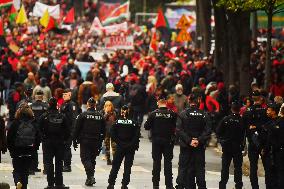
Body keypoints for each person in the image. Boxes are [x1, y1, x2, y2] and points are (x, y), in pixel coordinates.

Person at [176, 94, 211, 189]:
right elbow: (208, 131)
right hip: (199, 146)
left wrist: (189, 140)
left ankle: (181, 186)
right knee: (199, 168)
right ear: (198, 101)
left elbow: (179, 130)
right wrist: (198, 140)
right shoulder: (204, 114)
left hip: (186, 146)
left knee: (183, 167)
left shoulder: (183, 114)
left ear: (189, 101)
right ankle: (201, 186)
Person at [144, 96, 177, 189]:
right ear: (166, 103)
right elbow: (177, 126)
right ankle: (169, 185)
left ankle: (155, 185)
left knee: (156, 163)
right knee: (168, 163)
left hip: (156, 141)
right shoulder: (172, 114)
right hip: (168, 141)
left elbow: (146, 126)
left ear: (158, 103)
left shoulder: (153, 114)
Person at [73, 97, 106, 186]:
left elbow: (76, 129)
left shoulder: (83, 115)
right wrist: (101, 141)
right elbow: (104, 130)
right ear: (95, 105)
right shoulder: (100, 116)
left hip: (85, 140)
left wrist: (74, 140)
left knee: (85, 159)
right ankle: (89, 178)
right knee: (92, 160)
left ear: (88, 104)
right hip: (96, 141)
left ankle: (91, 177)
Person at [243, 91, 272, 189]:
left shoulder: (247, 112)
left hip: (252, 142)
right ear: (260, 98)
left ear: (252, 98)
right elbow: (269, 126)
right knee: (267, 168)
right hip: (264, 143)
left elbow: (245, 128)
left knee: (253, 167)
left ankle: (255, 187)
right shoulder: (266, 111)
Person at [7, 103, 40, 189]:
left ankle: (17, 182)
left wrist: (12, 151)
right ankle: (24, 186)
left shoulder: (15, 123)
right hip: (29, 151)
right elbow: (38, 138)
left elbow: (9, 138)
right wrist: (34, 150)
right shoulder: (33, 123)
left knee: (17, 170)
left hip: (17, 151)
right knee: (25, 172)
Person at [39, 97, 70, 189]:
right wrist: (64, 140)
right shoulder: (62, 116)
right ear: (57, 105)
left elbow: (39, 129)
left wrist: (43, 139)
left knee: (48, 163)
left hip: (48, 142)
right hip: (59, 142)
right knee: (59, 163)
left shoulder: (44, 116)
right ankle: (59, 184)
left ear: (49, 104)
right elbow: (67, 130)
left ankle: (50, 184)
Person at [107, 105, 140, 189]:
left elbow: (112, 133)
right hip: (130, 147)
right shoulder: (134, 123)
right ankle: (124, 185)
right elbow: (136, 136)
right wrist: (131, 144)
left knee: (115, 166)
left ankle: (111, 184)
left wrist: (119, 142)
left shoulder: (117, 122)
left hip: (120, 147)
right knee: (127, 167)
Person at [216, 102, 246, 189]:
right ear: (239, 110)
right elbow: (245, 134)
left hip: (227, 147)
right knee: (238, 168)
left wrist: (221, 141)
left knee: (225, 167)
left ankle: (222, 185)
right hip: (238, 147)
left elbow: (218, 131)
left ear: (231, 109)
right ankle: (238, 185)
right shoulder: (242, 120)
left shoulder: (226, 119)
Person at [29, 90, 48, 174]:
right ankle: (46, 168)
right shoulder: (46, 106)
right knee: (46, 150)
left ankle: (33, 168)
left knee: (33, 149)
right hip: (44, 130)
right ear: (42, 96)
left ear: (35, 96)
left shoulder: (31, 106)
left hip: (33, 130)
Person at [60, 88, 79, 172]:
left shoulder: (72, 105)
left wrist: (73, 131)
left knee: (67, 148)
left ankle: (67, 165)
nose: (64, 96)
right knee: (64, 148)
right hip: (63, 130)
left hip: (69, 130)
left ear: (70, 95)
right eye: (63, 95)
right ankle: (65, 164)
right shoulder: (64, 104)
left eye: (65, 94)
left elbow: (74, 119)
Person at [103, 101, 117, 165]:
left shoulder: (115, 113)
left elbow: (117, 121)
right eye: (107, 106)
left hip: (114, 132)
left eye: (109, 105)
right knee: (106, 146)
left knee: (114, 146)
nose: (108, 107)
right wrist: (106, 113)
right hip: (106, 132)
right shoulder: (103, 113)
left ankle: (115, 159)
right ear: (105, 107)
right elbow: (102, 121)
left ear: (111, 106)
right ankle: (108, 159)